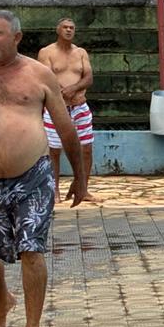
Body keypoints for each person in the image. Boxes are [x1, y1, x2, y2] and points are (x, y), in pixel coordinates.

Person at [0, 10, 86, 327]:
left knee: (32, 249)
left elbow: (66, 129)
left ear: (16, 37)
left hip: (33, 177)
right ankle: (3, 299)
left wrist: (80, 178)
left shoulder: (39, 74)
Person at [36, 17, 98, 203]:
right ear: (58, 30)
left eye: (72, 27)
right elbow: (45, 77)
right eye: (65, 27)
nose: (69, 30)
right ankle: (54, 190)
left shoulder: (80, 52)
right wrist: (63, 92)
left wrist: (74, 89)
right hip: (56, 107)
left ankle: (83, 189)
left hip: (79, 106)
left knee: (86, 149)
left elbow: (88, 77)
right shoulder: (47, 52)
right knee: (54, 150)